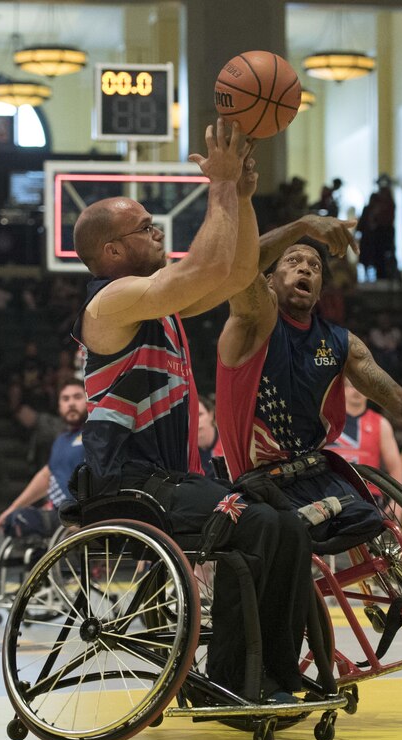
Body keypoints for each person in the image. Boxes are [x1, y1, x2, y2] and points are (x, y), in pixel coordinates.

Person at [70, 119, 313, 704]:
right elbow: (204, 269)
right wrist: (221, 186)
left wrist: (244, 198)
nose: (158, 233)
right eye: (146, 228)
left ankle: (275, 672)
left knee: (287, 521)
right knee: (252, 523)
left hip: (175, 480)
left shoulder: (164, 305)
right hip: (128, 484)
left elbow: (231, 271)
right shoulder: (111, 303)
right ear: (112, 250)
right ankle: (227, 683)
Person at [215, 217, 402, 554]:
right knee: (292, 535)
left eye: (314, 266)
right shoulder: (251, 323)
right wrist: (302, 226)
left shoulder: (341, 343)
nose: (305, 268)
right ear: (270, 281)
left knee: (370, 521)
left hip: (312, 471)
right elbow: (242, 267)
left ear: (319, 292)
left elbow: (400, 402)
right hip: (259, 480)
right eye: (293, 261)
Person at [0, 379, 87, 538]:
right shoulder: (60, 441)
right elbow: (46, 475)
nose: (71, 403)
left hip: (83, 514)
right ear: (59, 406)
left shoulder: (95, 435)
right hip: (58, 514)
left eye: (77, 397)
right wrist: (12, 508)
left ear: (88, 400)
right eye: (65, 399)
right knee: (13, 519)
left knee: (21, 519)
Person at [327, 380, 402, 485]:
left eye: (362, 386)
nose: (357, 391)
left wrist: (394, 501)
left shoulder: (381, 423)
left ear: (370, 393)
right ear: (341, 389)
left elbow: (396, 468)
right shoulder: (326, 420)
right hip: (329, 492)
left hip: (368, 495)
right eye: (351, 386)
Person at [197, 394, 223, 478]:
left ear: (211, 414)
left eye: (199, 415)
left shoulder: (229, 445)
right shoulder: (184, 456)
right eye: (189, 418)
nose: (195, 421)